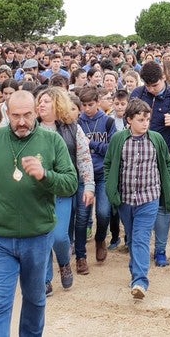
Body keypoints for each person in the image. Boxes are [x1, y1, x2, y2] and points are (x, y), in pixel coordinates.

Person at [0, 90, 77, 336]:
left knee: (35, 299)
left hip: (37, 237)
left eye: (27, 115)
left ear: (36, 112)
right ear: (6, 113)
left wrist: (45, 175)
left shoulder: (52, 142)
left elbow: (71, 184)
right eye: (15, 115)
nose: (21, 122)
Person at [104, 98, 170, 299]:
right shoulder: (119, 139)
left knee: (141, 237)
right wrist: (111, 191)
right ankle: (136, 269)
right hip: (125, 199)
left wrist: (163, 186)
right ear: (129, 120)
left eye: (147, 119)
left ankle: (140, 281)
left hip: (149, 197)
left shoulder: (156, 139)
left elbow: (166, 163)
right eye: (141, 119)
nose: (145, 123)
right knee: (133, 237)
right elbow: (109, 164)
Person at [130, 61, 170, 266]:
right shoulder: (137, 95)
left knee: (163, 205)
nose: (151, 89)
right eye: (148, 85)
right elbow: (126, 119)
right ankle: (137, 246)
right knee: (138, 203)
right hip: (139, 161)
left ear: (164, 78)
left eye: (155, 85)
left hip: (169, 160)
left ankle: (160, 251)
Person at [36, 87, 94, 296]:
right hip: (36, 194)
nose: (41, 104)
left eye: (46, 101)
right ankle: (45, 280)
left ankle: (64, 263)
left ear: (57, 105)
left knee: (60, 237)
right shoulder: (31, 128)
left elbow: (84, 159)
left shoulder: (73, 129)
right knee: (42, 237)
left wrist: (89, 186)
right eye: (39, 101)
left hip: (62, 191)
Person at [75, 86, 117, 274]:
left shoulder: (108, 122)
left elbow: (112, 148)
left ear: (98, 103)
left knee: (103, 212)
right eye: (83, 105)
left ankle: (101, 239)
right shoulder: (77, 122)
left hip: (102, 174)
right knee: (82, 216)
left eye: (90, 105)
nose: (87, 109)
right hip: (83, 175)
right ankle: (81, 256)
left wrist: (91, 144)